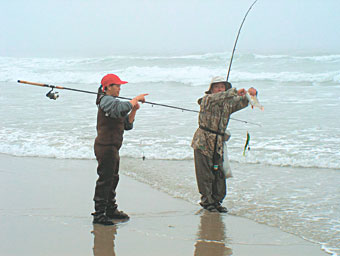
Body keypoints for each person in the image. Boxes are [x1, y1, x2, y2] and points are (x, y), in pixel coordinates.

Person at [191, 76, 257, 213]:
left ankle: (217, 201)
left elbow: (243, 101)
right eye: (217, 87)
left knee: (219, 173)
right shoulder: (207, 100)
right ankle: (207, 202)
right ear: (211, 89)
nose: (220, 89)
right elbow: (219, 97)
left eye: (222, 87)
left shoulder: (228, 104)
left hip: (219, 142)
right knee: (205, 174)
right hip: (203, 142)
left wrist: (251, 94)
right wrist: (234, 92)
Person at [92, 73, 148, 225]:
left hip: (113, 147)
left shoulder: (113, 103)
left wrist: (134, 110)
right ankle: (99, 215)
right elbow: (121, 107)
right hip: (105, 147)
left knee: (113, 178)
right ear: (107, 87)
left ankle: (110, 209)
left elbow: (127, 125)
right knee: (105, 180)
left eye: (120, 86)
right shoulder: (105, 101)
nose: (119, 89)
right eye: (117, 86)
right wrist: (135, 99)